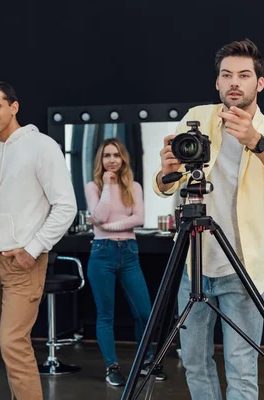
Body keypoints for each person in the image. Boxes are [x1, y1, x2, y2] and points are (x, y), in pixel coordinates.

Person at [154, 39, 264, 399]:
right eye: (227, 75)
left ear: (259, 83)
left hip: (242, 267)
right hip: (194, 264)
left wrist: (255, 140)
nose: (235, 82)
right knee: (195, 363)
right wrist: (167, 173)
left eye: (244, 75)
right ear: (218, 83)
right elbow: (166, 186)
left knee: (241, 368)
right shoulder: (199, 117)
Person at [0, 81, 76, 400]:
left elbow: (66, 206)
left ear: (14, 107)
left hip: (22, 263)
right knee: (9, 346)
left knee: (14, 345)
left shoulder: (42, 147)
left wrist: (33, 249)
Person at [84, 138, 165, 386]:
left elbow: (138, 218)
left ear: (123, 159)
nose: (112, 160)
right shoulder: (93, 186)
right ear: (101, 160)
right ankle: (112, 366)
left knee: (144, 312)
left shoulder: (134, 186)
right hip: (102, 253)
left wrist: (106, 226)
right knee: (105, 315)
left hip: (129, 253)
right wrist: (107, 187)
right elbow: (97, 213)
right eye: (107, 155)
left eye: (116, 155)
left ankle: (146, 362)